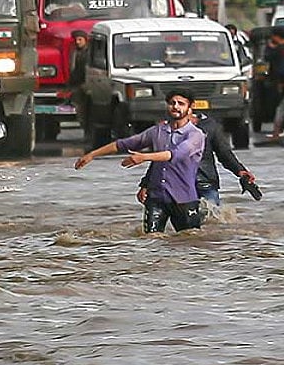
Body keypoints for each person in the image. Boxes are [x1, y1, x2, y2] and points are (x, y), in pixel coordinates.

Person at [74, 91, 205, 233]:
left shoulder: (195, 135)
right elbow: (124, 144)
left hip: (183, 198)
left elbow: (174, 155)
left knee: (190, 240)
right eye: (172, 103)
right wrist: (92, 155)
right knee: (151, 240)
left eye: (181, 104)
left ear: (190, 107)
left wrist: (144, 157)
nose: (176, 107)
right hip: (156, 198)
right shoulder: (158, 131)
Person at [139, 109, 258, 216]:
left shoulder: (210, 127)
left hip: (205, 184)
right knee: (185, 229)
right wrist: (145, 185)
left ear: (190, 107)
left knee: (212, 222)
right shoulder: (167, 130)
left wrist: (241, 171)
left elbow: (224, 154)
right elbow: (160, 162)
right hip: (178, 185)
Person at [67, 29, 90, 127]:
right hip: (77, 84)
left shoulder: (89, 53)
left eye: (80, 39)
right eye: (76, 40)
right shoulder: (75, 52)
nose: (77, 42)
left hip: (87, 84)